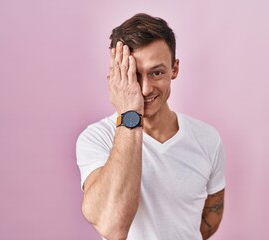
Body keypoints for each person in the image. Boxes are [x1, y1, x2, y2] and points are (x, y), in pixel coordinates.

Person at [76, 13, 226, 240]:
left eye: (156, 73)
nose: (145, 89)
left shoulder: (207, 138)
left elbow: (210, 221)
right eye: (133, 75)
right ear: (116, 75)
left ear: (174, 69)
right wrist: (129, 114)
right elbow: (112, 226)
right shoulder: (97, 138)